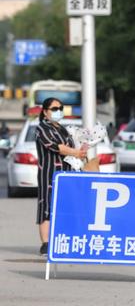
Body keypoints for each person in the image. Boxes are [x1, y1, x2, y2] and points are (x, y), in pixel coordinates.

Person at [35, 98, 87, 255]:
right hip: (50, 173)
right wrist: (76, 152)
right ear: (45, 111)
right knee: (47, 206)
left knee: (65, 206)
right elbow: (56, 147)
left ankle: (63, 239)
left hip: (67, 174)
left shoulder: (63, 129)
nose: (58, 111)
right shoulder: (42, 128)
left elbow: (71, 147)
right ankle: (46, 243)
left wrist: (82, 151)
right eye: (54, 109)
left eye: (60, 108)